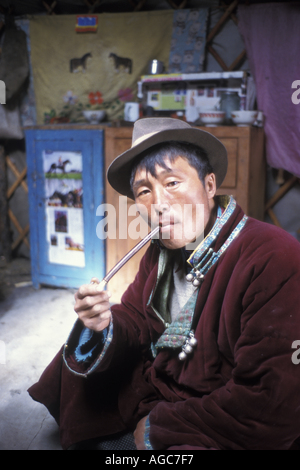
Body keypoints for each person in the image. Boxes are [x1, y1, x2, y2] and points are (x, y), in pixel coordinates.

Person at [29, 118, 300, 450]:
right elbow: (135, 315)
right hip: (167, 380)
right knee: (82, 351)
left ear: (210, 185)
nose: (158, 204)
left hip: (221, 402)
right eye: (144, 191)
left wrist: (159, 427)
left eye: (172, 182)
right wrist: (105, 322)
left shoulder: (276, 257)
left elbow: (272, 400)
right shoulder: (160, 252)